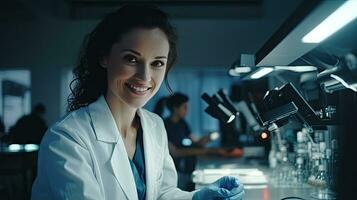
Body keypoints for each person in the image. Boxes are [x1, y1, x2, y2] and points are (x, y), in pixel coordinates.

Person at [31, 5, 244, 200]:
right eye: (131, 59)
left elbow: (163, 194)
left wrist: (196, 198)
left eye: (157, 63)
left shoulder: (155, 126)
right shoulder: (67, 139)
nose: (145, 76)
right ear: (105, 57)